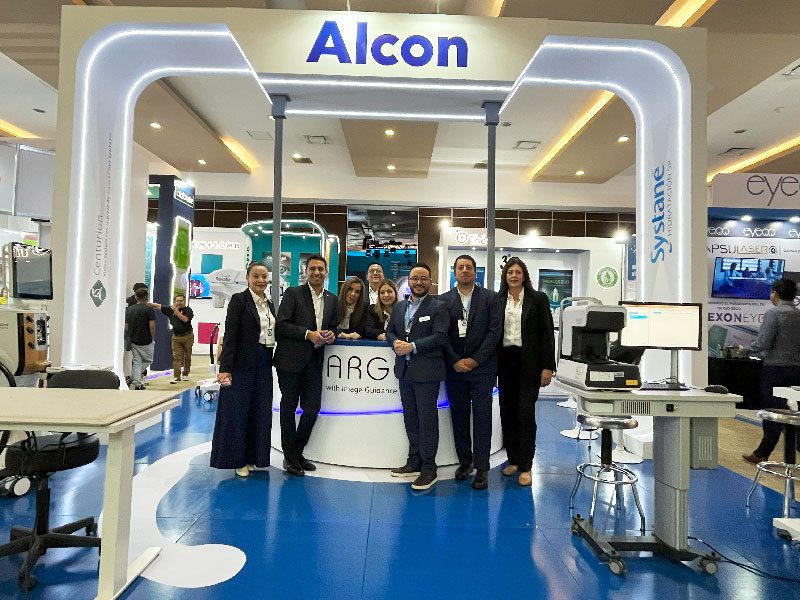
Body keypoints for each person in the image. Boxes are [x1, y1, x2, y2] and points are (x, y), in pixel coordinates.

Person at [386, 262, 449, 491]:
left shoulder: (439, 307)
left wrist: (412, 346)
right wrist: (394, 342)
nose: (419, 282)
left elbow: (440, 336)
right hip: (404, 372)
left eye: (423, 278)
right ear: (409, 281)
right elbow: (390, 331)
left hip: (427, 373)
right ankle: (414, 461)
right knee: (411, 418)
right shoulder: (400, 307)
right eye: (415, 278)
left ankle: (429, 468)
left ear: (430, 282)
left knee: (427, 420)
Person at [441, 255, 501, 490]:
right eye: (460, 267)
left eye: (469, 267)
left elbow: (494, 332)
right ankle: (465, 462)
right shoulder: (444, 300)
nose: (464, 270)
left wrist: (475, 360)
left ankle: (482, 467)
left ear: (475, 272)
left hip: (482, 369)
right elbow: (442, 334)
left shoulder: (490, 298)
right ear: (455, 272)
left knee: (483, 418)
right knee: (459, 416)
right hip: (455, 369)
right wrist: (455, 360)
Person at [274, 254, 338, 476]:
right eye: (312, 269)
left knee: (312, 409)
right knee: (288, 408)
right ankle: (290, 457)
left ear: (326, 272)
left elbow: (334, 326)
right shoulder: (293, 294)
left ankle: (296, 452)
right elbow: (281, 325)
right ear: (306, 271)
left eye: (321, 269)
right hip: (289, 361)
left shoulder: (332, 299)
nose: (317, 272)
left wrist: (333, 334)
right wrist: (307, 334)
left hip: (314, 361)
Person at [211, 262, 275, 477]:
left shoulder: (269, 303)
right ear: (248, 278)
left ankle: (254, 457)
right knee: (238, 412)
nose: (261, 280)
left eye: (264, 276)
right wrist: (225, 368)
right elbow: (230, 335)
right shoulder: (239, 300)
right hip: (241, 364)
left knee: (259, 411)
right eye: (256, 276)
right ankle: (237, 460)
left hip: (264, 362)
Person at [497, 257, 556, 486]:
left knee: (525, 413)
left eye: (518, 272)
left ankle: (526, 465)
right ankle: (512, 459)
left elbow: (547, 334)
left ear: (524, 276)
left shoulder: (537, 299)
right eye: (510, 272)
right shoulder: (498, 300)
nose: (513, 276)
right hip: (505, 362)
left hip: (529, 363)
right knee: (507, 412)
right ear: (505, 276)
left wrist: (548, 366)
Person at [743, 278, 800, 464]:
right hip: (796, 372)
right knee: (794, 411)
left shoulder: (773, 314)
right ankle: (791, 451)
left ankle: (763, 453)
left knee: (772, 412)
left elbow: (763, 343)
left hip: (776, 371)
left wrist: (745, 350)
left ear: (775, 293)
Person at [149, 294, 194, 384]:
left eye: (181, 301)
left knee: (187, 356)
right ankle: (177, 376)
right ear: (174, 302)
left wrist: (176, 312)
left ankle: (185, 374)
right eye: (177, 301)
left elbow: (185, 319)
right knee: (176, 357)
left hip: (187, 336)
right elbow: (158, 306)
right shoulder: (169, 310)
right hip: (176, 337)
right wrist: (146, 303)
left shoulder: (188, 310)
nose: (179, 303)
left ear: (184, 301)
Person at [125, 287, 156, 390]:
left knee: (137, 361)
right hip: (146, 340)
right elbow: (152, 326)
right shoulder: (149, 310)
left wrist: (128, 336)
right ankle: (133, 378)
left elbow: (126, 326)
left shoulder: (129, 309)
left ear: (136, 297)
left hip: (133, 340)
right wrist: (152, 338)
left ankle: (136, 382)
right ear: (146, 297)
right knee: (148, 360)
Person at [124, 283, 147, 385]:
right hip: (134, 333)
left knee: (139, 357)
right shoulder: (129, 302)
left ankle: (137, 377)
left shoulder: (144, 302)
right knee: (137, 357)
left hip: (140, 332)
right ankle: (135, 377)